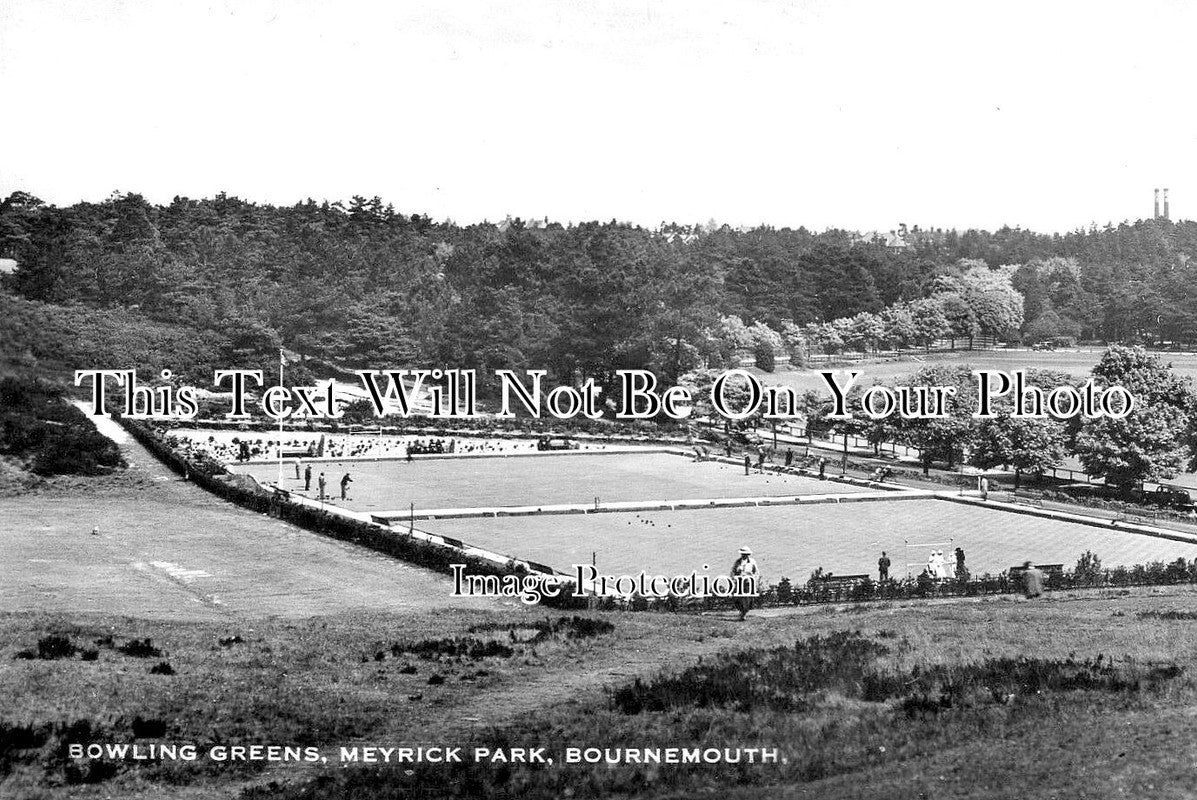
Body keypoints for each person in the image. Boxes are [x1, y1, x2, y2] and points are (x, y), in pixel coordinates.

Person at [731, 547, 760, 620]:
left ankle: (743, 614)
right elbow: (733, 571)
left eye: (746, 554)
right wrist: (733, 578)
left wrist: (754, 580)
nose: (744, 555)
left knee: (747, 599)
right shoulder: (738, 562)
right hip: (739, 582)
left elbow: (756, 572)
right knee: (738, 599)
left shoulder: (752, 562)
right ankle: (742, 612)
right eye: (743, 554)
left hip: (748, 583)